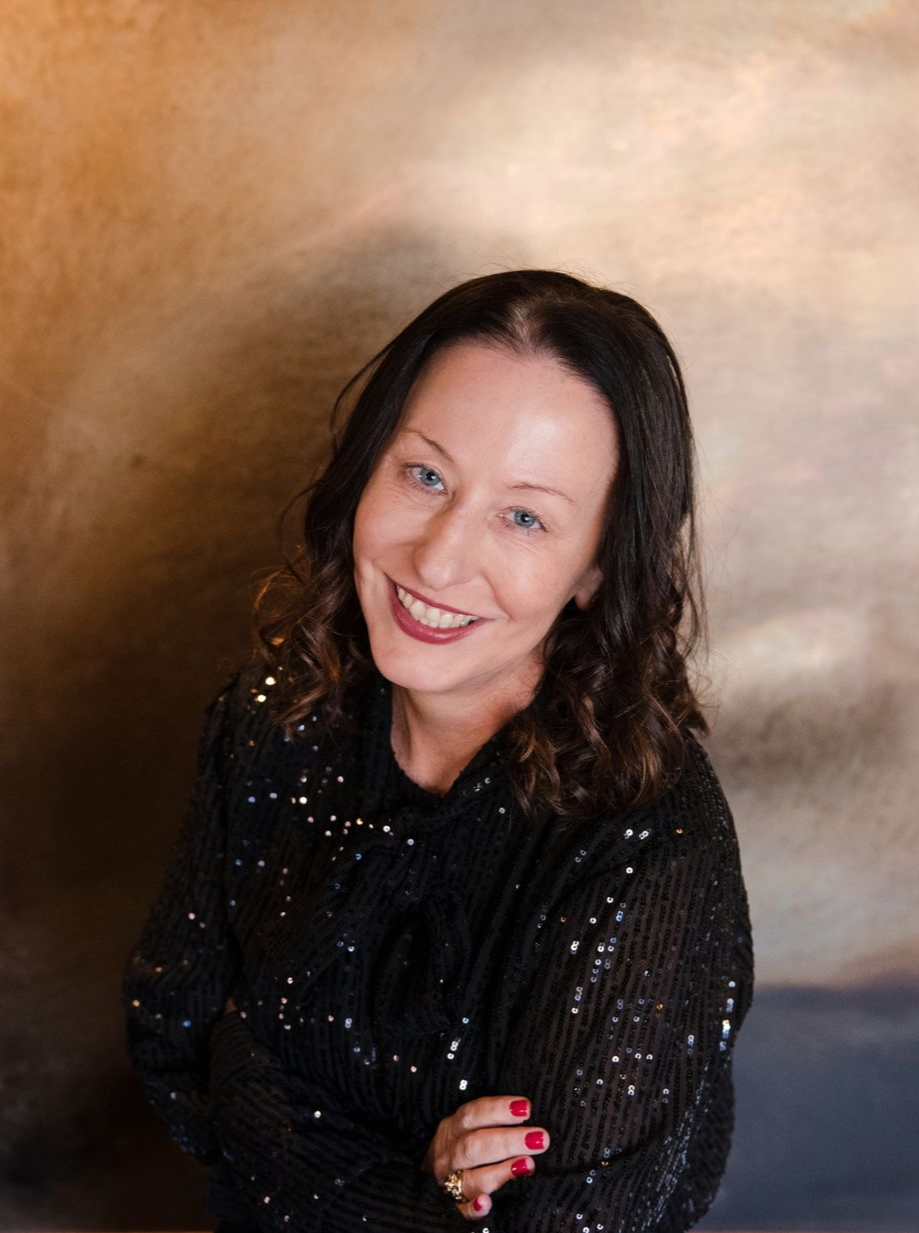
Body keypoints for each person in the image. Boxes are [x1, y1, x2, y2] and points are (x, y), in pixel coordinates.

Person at [123, 269, 753, 1232]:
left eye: (525, 515)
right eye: (424, 475)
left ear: (596, 566)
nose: (438, 558)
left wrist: (263, 1082)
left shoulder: (650, 851)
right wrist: (424, 1195)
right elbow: (174, 1047)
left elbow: (569, 1224)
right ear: (366, 464)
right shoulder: (270, 718)